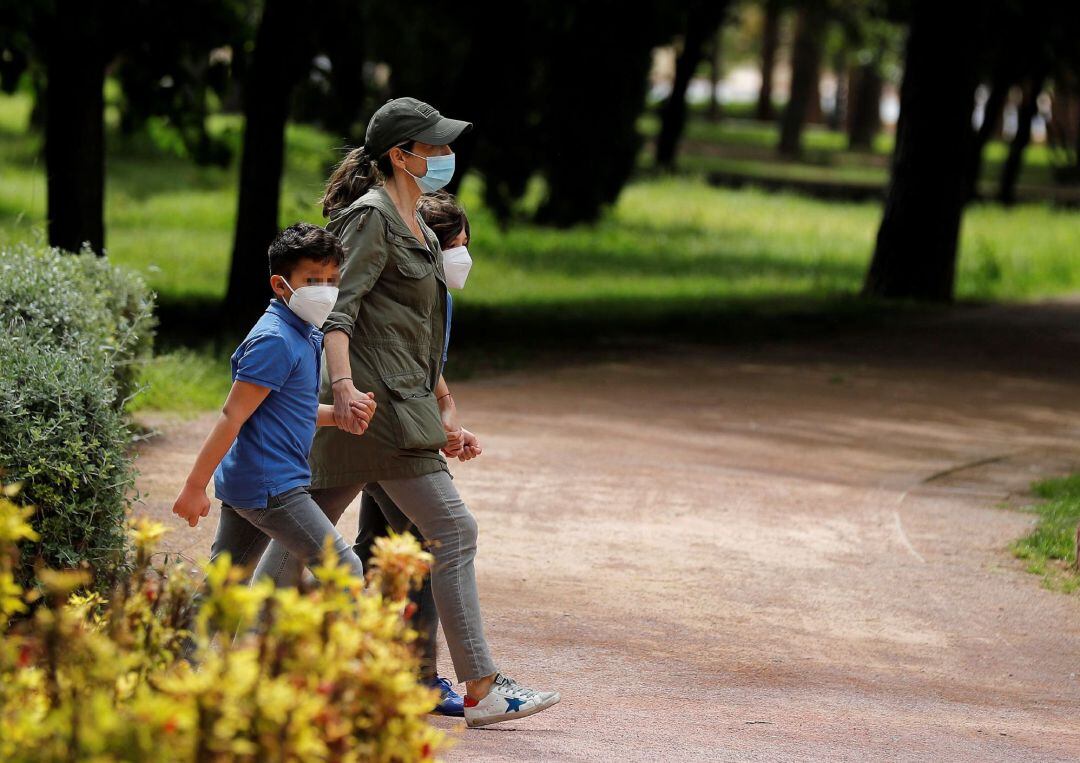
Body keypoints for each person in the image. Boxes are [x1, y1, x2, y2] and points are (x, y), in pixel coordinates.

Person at [254, 97, 559, 728]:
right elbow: (340, 309)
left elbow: (411, 333)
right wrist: (341, 388)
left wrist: (444, 410)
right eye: (437, 147)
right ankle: (481, 689)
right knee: (454, 532)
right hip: (377, 408)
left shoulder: (417, 222)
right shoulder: (371, 218)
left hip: (395, 404)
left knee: (295, 534)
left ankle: (229, 657)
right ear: (402, 155)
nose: (447, 157)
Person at [170, 223, 375, 589]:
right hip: (272, 486)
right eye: (313, 281)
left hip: (255, 480)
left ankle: (181, 647)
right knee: (344, 570)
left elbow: (285, 409)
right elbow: (232, 415)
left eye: (332, 280)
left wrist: (338, 416)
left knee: (223, 587)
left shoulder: (304, 331)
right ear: (281, 285)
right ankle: (335, 646)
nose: (326, 291)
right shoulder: (275, 340)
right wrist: (194, 485)